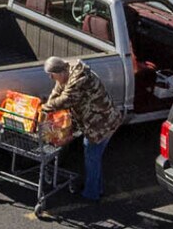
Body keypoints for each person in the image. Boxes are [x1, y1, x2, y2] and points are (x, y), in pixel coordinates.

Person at [43, 56, 122, 202]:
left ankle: (91, 193)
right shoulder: (66, 74)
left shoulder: (79, 80)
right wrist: (48, 105)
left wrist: (45, 108)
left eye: (52, 75)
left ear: (60, 72)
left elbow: (66, 99)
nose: (50, 78)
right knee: (93, 156)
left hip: (102, 123)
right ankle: (96, 188)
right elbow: (58, 90)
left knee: (92, 156)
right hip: (95, 123)